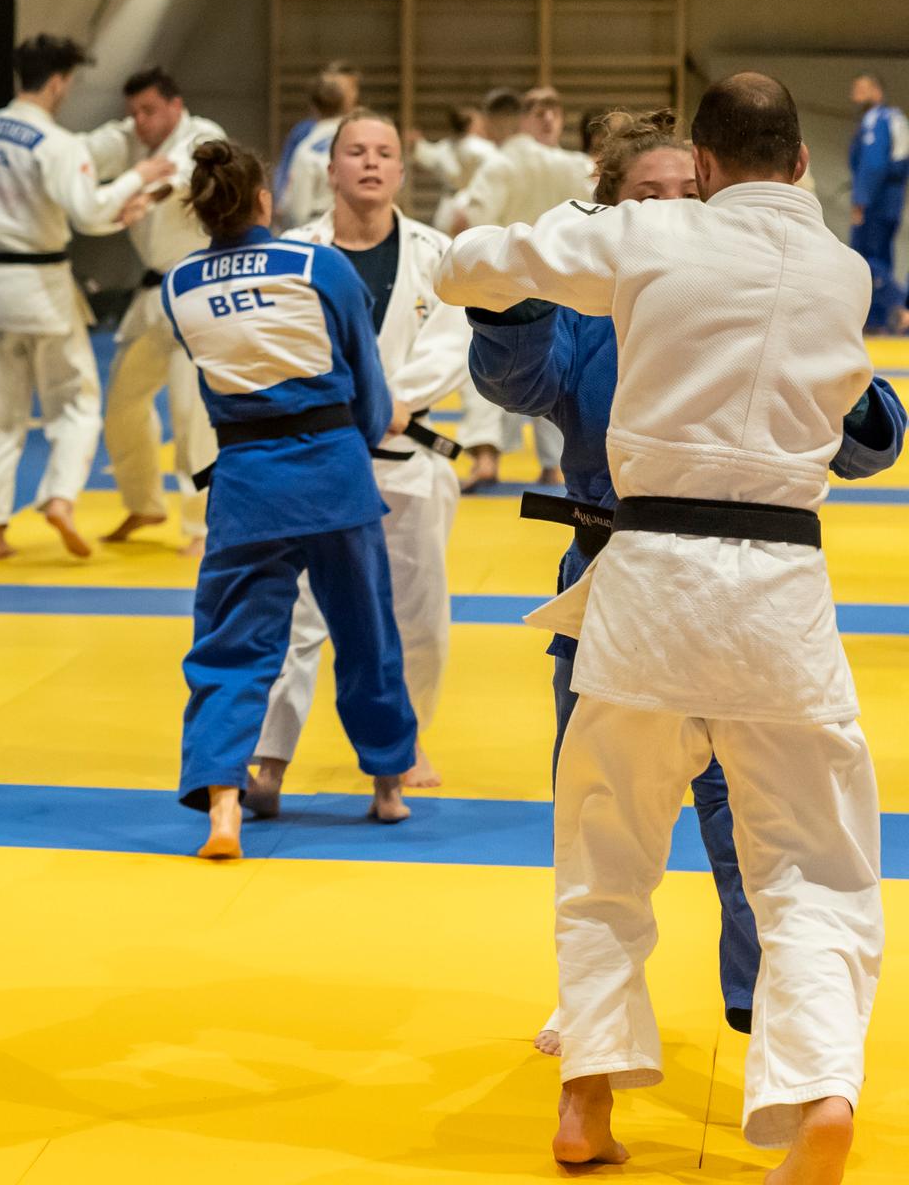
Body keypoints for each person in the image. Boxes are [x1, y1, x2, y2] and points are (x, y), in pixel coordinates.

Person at [437, 72, 889, 1182]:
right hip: (781, 594)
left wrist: (460, 262)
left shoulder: (651, 236)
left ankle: (587, 1097)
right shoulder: (845, 270)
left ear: (710, 165)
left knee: (605, 854)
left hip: (647, 587)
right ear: (800, 165)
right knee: (816, 868)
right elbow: (864, 426)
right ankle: (819, 1092)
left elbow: (483, 263)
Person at [164, 140, 418, 860]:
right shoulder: (319, 266)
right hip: (333, 473)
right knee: (366, 633)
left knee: (230, 645)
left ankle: (223, 805)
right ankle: (388, 786)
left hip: (246, 483)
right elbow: (366, 379)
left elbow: (217, 380)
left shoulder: (178, 285)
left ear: (201, 209)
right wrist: (366, 432)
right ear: (264, 200)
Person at [250, 109, 469, 807]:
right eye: (356, 151)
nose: (370, 162)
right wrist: (353, 402)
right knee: (298, 616)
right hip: (316, 455)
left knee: (418, 613)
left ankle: (408, 739)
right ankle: (269, 754)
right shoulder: (293, 252)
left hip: (406, 453)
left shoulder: (437, 253)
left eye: (383, 152)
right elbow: (277, 342)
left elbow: (454, 343)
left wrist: (391, 402)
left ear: (401, 170)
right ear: (331, 169)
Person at [0, 34, 170, 559]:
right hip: (41, 287)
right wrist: (137, 179)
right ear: (57, 83)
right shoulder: (55, 144)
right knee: (76, 403)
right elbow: (90, 213)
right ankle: (59, 498)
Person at [86, 67, 226, 555]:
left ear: (174, 105)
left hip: (198, 289)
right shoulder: (129, 138)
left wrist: (145, 194)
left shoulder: (203, 135)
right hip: (151, 295)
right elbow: (83, 153)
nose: (140, 121)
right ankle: (143, 503)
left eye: (149, 110)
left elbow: (183, 178)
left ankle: (202, 525)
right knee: (123, 404)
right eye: (134, 112)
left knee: (191, 414)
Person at [449, 86, 588, 491]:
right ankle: (543, 464)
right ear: (523, 119)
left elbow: (471, 222)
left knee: (514, 367)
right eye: (537, 109)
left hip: (515, 281)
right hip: (554, 282)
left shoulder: (505, 164)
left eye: (553, 108)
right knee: (558, 365)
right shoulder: (575, 167)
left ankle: (498, 458)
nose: (546, 117)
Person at [847, 72, 909, 333]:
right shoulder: (894, 118)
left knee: (867, 261)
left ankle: (896, 311)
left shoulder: (876, 119)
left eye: (861, 89)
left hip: (877, 201)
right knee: (881, 258)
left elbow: (874, 163)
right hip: (890, 201)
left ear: (876, 91)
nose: (855, 95)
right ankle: (879, 319)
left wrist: (861, 200)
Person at [278, 66, 360, 231]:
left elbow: (298, 212)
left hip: (318, 229)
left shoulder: (306, 151)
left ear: (313, 106)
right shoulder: (365, 140)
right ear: (348, 103)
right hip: (362, 227)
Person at [411, 103, 496, 235]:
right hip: (472, 204)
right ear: (471, 125)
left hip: (447, 209)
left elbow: (425, 154)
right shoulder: (482, 148)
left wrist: (418, 143)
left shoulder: (444, 147)